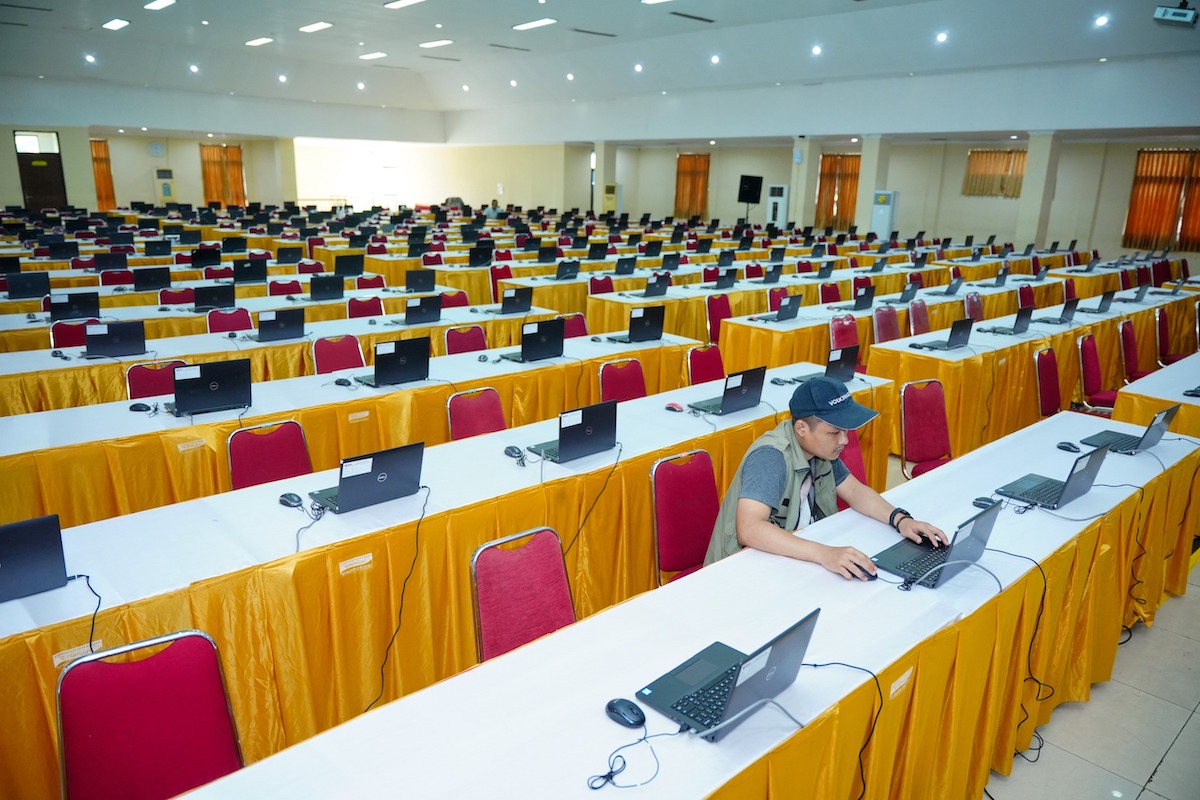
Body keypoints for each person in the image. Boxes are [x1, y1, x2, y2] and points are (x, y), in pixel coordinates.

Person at [704, 376, 946, 579]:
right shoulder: (771, 457)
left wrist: (901, 520)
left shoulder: (820, 449)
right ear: (801, 429)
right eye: (834, 432)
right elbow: (750, 529)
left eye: (846, 431)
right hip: (738, 570)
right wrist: (824, 554)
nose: (844, 440)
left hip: (789, 554)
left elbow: (856, 492)